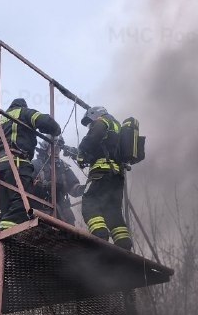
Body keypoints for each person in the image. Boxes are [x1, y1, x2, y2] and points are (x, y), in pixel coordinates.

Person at [0, 98, 61, 231]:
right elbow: (46, 122)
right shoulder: (24, 113)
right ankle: (9, 232)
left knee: (6, 205)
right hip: (18, 163)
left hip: (1, 170)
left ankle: (2, 232)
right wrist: (56, 130)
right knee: (23, 202)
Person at [77, 106, 132, 250]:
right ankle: (124, 244)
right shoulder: (118, 127)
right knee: (112, 211)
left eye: (90, 122)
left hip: (101, 173)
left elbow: (93, 137)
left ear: (96, 114)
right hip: (117, 177)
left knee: (90, 203)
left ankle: (100, 237)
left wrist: (82, 151)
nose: (90, 125)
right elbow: (106, 147)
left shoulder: (102, 121)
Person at [30, 136, 83, 226]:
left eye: (58, 148)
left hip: (64, 215)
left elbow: (73, 188)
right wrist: (44, 185)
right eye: (53, 147)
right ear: (45, 148)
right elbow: (28, 187)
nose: (56, 151)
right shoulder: (35, 165)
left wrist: (83, 189)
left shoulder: (63, 167)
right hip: (43, 212)